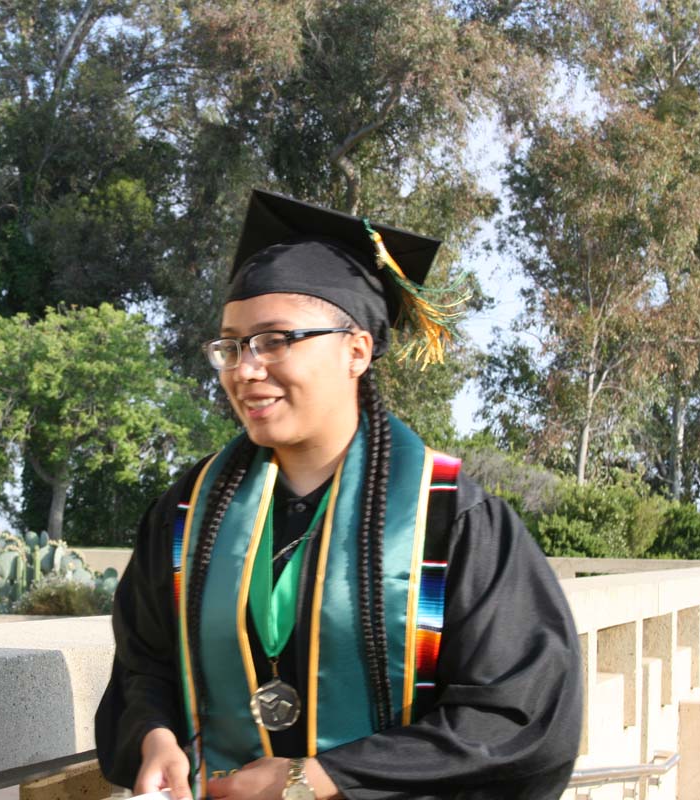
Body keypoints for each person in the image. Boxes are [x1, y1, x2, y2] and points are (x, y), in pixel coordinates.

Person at [95, 190, 583, 800]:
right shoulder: (189, 512)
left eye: (275, 340)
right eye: (230, 346)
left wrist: (316, 779)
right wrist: (155, 736)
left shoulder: (452, 519)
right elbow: (147, 664)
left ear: (357, 350)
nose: (245, 369)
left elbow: (512, 713)